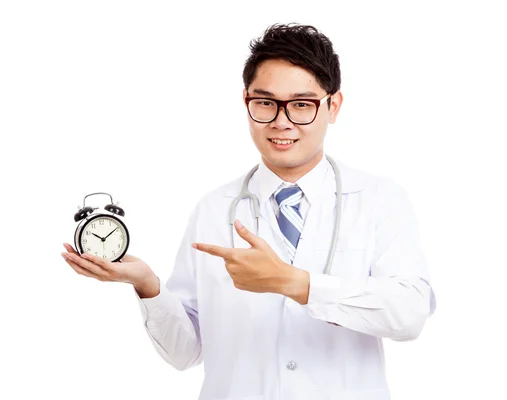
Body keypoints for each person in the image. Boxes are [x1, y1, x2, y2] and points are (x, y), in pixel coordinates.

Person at [61, 23, 436, 400]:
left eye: (302, 104)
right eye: (265, 102)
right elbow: (184, 352)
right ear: (246, 101)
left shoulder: (378, 199)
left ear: (332, 106)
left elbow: (409, 314)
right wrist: (147, 285)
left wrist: (296, 283)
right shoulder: (213, 210)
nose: (281, 121)